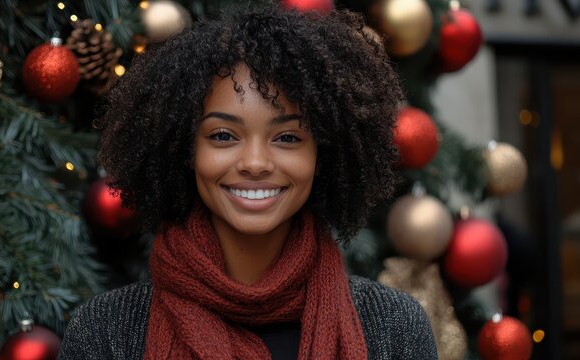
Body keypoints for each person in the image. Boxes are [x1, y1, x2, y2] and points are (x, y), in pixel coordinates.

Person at [58, 1, 437, 359]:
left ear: (322, 154)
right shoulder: (107, 332)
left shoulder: (393, 328)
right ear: (185, 150)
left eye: (287, 137)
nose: (255, 163)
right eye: (223, 135)